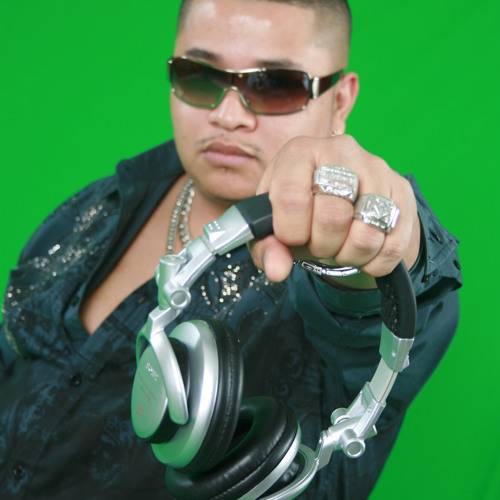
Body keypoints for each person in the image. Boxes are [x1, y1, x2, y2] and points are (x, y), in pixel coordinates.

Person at [0, 0, 461, 498]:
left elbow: (390, 302)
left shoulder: (327, 282)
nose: (227, 115)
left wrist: (382, 238)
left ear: (340, 99)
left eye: (275, 85)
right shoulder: (101, 203)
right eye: (199, 76)